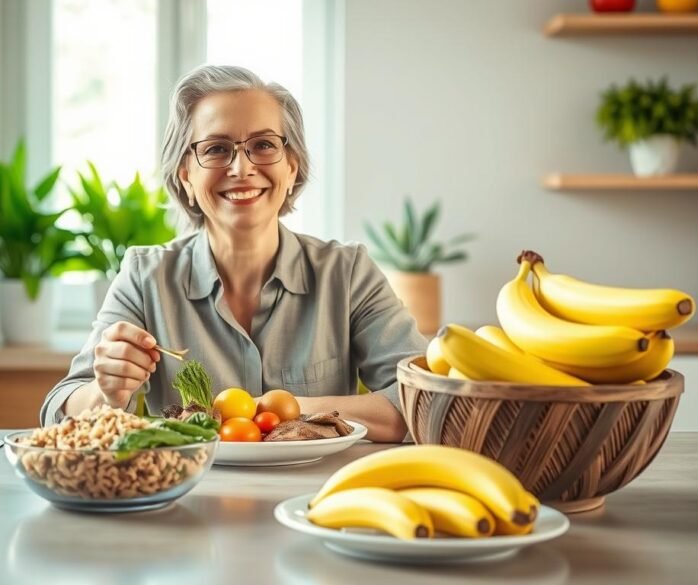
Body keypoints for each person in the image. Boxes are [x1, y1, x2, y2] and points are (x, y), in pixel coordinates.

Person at [40, 65, 428, 442]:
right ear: (186, 176)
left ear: (292, 167)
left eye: (263, 145)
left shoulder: (347, 273)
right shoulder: (146, 277)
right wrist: (106, 391)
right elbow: (58, 408)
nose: (242, 168)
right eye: (216, 149)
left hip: (317, 500)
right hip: (188, 499)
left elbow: (423, 399)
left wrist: (277, 409)